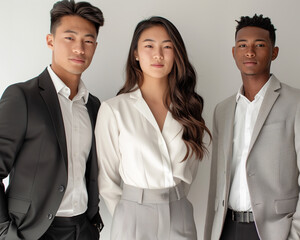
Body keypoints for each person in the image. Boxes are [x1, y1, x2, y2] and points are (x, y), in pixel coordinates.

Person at [95, 16, 211, 240]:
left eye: (167, 47)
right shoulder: (114, 110)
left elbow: (191, 170)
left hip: (180, 213)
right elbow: (107, 180)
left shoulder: (189, 109)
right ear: (136, 54)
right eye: (149, 46)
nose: (158, 55)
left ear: (176, 54)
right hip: (132, 216)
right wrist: (127, 213)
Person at [0, 0, 104, 239]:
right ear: (50, 41)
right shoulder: (22, 97)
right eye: (70, 38)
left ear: (95, 47)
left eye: (88, 41)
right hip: (33, 231)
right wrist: (5, 232)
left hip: (83, 229)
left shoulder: (94, 106)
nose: (79, 48)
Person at [205, 14, 300, 240]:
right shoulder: (223, 110)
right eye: (243, 45)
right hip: (226, 228)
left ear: (274, 52)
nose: (250, 51)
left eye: (259, 44)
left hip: (274, 231)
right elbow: (217, 182)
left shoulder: (295, 103)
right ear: (234, 52)